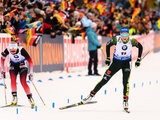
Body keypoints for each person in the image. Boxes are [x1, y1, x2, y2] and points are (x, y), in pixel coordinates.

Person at [82, 27, 143, 111]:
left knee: (125, 82)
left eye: (126, 34)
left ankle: (125, 101)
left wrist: (138, 59)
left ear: (128, 34)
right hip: (116, 63)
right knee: (104, 80)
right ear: (120, 34)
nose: (124, 36)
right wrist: (108, 58)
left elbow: (140, 47)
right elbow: (108, 45)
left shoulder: (132, 41)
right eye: (122, 34)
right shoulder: (116, 40)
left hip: (127, 63)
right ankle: (90, 96)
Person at [1, 41, 35, 108]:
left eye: (14, 50)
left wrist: (31, 72)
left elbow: (30, 61)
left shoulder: (21, 50)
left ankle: (30, 98)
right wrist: (2, 70)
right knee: (13, 80)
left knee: (23, 82)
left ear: (16, 48)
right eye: (11, 51)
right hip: (13, 65)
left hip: (22, 65)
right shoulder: (7, 49)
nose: (12, 52)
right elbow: (2, 59)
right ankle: (14, 98)